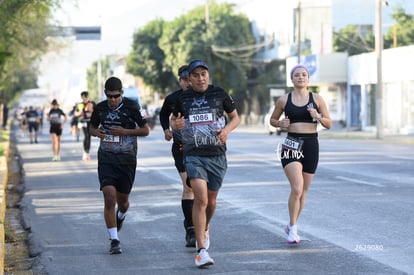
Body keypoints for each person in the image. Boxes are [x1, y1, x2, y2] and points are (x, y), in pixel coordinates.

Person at [170, 60, 240, 268]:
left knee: (211, 202)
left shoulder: (220, 94)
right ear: (189, 80)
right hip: (193, 154)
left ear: (207, 76)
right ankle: (201, 251)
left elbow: (235, 117)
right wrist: (177, 125)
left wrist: (226, 131)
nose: (201, 78)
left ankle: (205, 226)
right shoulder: (182, 98)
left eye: (204, 74)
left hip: (217, 154)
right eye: (196, 75)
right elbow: (174, 122)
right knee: (200, 199)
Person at [269, 64, 332, 244]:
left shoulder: (317, 99)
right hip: (291, 144)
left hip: (311, 144)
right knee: (297, 188)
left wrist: (318, 116)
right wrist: (280, 123)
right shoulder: (284, 100)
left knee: (303, 191)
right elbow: (272, 120)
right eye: (297, 75)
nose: (301, 77)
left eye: (304, 75)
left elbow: (329, 123)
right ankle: (293, 230)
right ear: (292, 79)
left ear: (308, 79)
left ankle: (291, 224)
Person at [89, 76, 150, 254]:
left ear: (121, 93)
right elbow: (91, 128)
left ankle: (121, 215)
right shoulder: (100, 108)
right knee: (109, 197)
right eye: (109, 96)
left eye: (116, 96)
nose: (113, 100)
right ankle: (114, 240)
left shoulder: (131, 106)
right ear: (105, 94)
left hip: (127, 160)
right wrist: (96, 132)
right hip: (107, 158)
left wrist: (125, 132)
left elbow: (145, 130)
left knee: (123, 202)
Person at [159, 65, 196, 247]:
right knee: (189, 186)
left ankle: (196, 221)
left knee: (201, 189)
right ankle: (190, 228)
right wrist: (167, 129)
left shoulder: (203, 97)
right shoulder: (173, 99)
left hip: (202, 148)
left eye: (191, 78)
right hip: (181, 146)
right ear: (180, 81)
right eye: (185, 79)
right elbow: (164, 114)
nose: (188, 82)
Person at [75, 91, 95, 160]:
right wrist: (80, 113)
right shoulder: (80, 105)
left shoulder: (92, 103)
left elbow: (96, 112)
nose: (84, 99)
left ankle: (88, 152)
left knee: (89, 137)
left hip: (90, 122)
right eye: (83, 98)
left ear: (87, 97)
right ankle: (85, 152)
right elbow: (76, 113)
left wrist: (91, 110)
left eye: (85, 97)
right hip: (83, 122)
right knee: (86, 136)